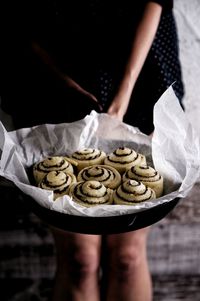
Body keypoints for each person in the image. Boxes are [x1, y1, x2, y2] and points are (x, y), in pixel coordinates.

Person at [1, 1, 184, 300]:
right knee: (79, 258)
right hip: (50, 57)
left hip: (140, 60)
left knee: (127, 257)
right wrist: (56, 81)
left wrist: (122, 99)